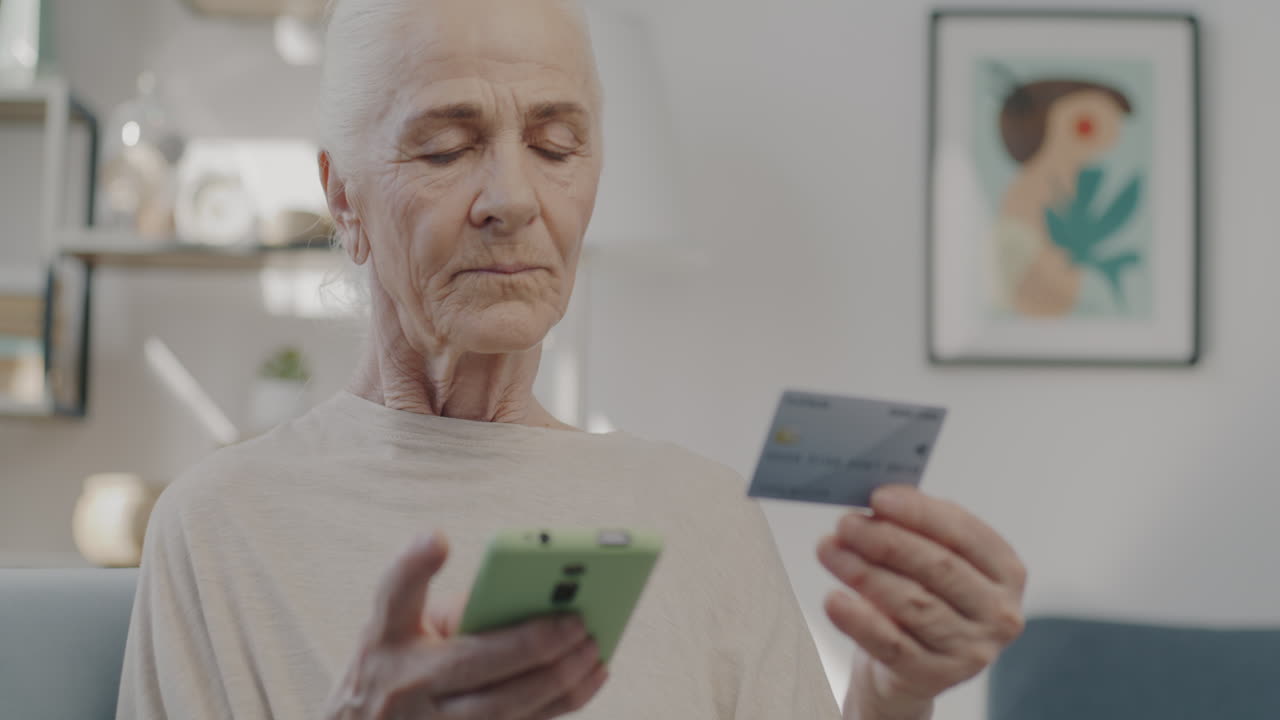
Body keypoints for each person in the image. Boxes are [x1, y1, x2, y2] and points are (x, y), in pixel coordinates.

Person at [117, 1, 1027, 718]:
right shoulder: (218, 526)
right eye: (446, 146)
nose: (513, 197)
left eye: (557, 146)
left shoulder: (702, 513)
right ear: (342, 197)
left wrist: (890, 698)